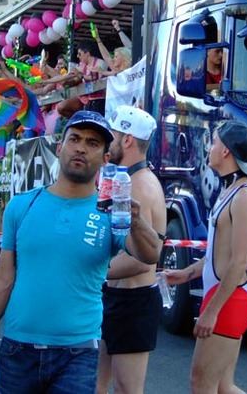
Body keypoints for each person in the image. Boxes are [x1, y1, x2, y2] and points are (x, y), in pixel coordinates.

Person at [0, 110, 161, 393]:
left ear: (105, 158)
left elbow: (150, 255)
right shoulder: (22, 205)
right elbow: (3, 279)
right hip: (18, 350)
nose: (81, 147)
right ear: (59, 147)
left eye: (92, 143)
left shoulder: (111, 211)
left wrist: (136, 220)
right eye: (75, 138)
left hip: (77, 354)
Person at [165, 121, 247, 394]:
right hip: (224, 297)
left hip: (230, 300)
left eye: (215, 142)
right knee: (222, 387)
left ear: (226, 152)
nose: (209, 147)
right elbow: (216, 255)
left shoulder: (246, 196)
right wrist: (186, 274)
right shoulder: (230, 191)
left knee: (202, 384)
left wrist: (211, 311)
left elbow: (239, 263)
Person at [96, 106, 166, 394]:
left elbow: (143, 261)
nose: (107, 142)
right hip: (116, 297)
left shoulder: (140, 185)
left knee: (127, 389)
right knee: (94, 384)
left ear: (127, 140)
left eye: (112, 134)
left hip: (133, 301)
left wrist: (95, 270)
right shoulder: (127, 180)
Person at [56, 45, 108, 118]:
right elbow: (70, 76)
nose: (77, 56)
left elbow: (97, 80)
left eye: (79, 54)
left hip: (97, 98)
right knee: (61, 107)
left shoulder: (100, 63)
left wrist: (81, 76)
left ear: (87, 53)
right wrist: (48, 80)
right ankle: (77, 120)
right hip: (83, 97)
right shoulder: (82, 64)